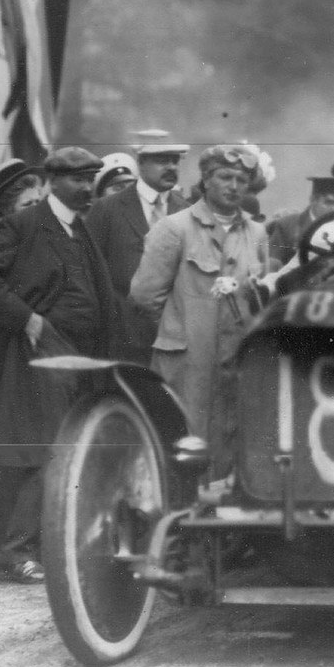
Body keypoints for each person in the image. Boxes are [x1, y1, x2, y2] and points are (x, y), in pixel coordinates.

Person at [0, 147, 119, 584]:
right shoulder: (25, 224)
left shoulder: (79, 230)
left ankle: (48, 546)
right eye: (77, 179)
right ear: (52, 181)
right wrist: (27, 318)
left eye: (91, 177)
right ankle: (16, 552)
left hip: (81, 358)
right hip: (40, 357)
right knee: (49, 450)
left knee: (69, 450)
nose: (87, 187)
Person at [130, 145, 271, 471]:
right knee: (182, 447)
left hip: (236, 361)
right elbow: (143, 296)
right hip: (185, 365)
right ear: (206, 180)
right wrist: (179, 330)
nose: (233, 186)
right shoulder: (174, 228)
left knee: (232, 445)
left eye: (241, 179)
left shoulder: (257, 233)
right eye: (224, 177)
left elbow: (260, 295)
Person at [86, 142, 190, 364]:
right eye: (162, 161)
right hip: (121, 336)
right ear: (141, 163)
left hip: (174, 336)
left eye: (175, 160)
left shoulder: (187, 211)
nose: (171, 167)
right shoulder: (107, 209)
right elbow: (88, 272)